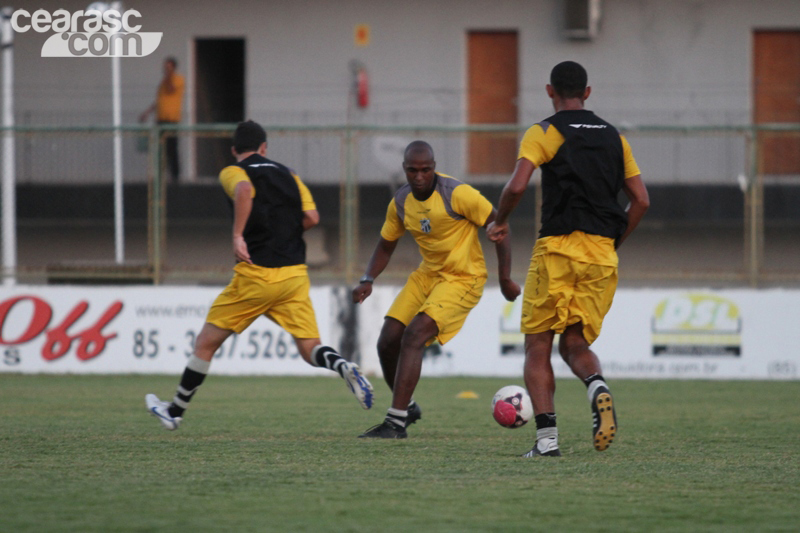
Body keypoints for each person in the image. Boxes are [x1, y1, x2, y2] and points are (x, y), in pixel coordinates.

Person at [146, 120, 374, 430]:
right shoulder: (289, 174)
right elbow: (311, 217)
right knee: (310, 347)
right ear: (264, 147)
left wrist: (238, 235)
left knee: (205, 343)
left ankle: (174, 412)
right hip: (293, 275)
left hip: (256, 275)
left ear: (234, 150)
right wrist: (284, 233)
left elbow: (244, 191)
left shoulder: (233, 171)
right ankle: (343, 366)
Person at [487, 61, 650, 457]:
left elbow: (517, 185)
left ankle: (547, 443)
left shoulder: (544, 131)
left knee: (538, 346)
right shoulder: (615, 138)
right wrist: (612, 243)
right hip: (601, 254)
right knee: (575, 343)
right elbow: (641, 200)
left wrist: (500, 219)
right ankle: (597, 385)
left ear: (550, 91)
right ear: (587, 92)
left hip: (558, 249)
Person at [353, 140, 520, 438]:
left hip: (463, 278)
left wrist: (505, 278)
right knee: (387, 340)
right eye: (413, 170)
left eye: (425, 170)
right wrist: (368, 279)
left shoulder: (457, 194)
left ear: (434, 167)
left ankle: (395, 423)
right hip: (427, 275)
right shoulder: (401, 202)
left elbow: (500, 225)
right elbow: (386, 245)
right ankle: (407, 408)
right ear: (404, 169)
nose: (419, 176)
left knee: (414, 334)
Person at [139, 56, 184, 183]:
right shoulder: (163, 82)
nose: (166, 70)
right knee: (160, 148)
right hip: (161, 119)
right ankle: (160, 176)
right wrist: (147, 113)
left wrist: (169, 75)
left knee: (172, 148)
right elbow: (159, 100)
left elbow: (171, 89)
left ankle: (175, 176)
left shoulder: (178, 79)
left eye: (169, 67)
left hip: (171, 120)